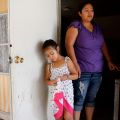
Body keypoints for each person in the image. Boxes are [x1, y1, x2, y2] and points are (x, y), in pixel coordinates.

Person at [65, 1, 119, 120]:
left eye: (92, 10)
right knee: (79, 98)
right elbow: (69, 45)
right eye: (86, 10)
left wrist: (109, 60)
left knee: (91, 98)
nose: (90, 13)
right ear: (79, 13)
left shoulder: (97, 28)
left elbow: (103, 45)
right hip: (82, 70)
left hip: (97, 70)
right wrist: (75, 64)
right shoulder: (76, 25)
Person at [42, 39, 78, 120]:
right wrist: (52, 82)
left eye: (52, 53)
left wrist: (67, 77)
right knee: (59, 116)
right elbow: (46, 80)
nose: (50, 57)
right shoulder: (49, 66)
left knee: (68, 116)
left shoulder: (67, 61)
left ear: (57, 49)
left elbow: (76, 75)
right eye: (47, 55)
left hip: (67, 93)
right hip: (55, 94)